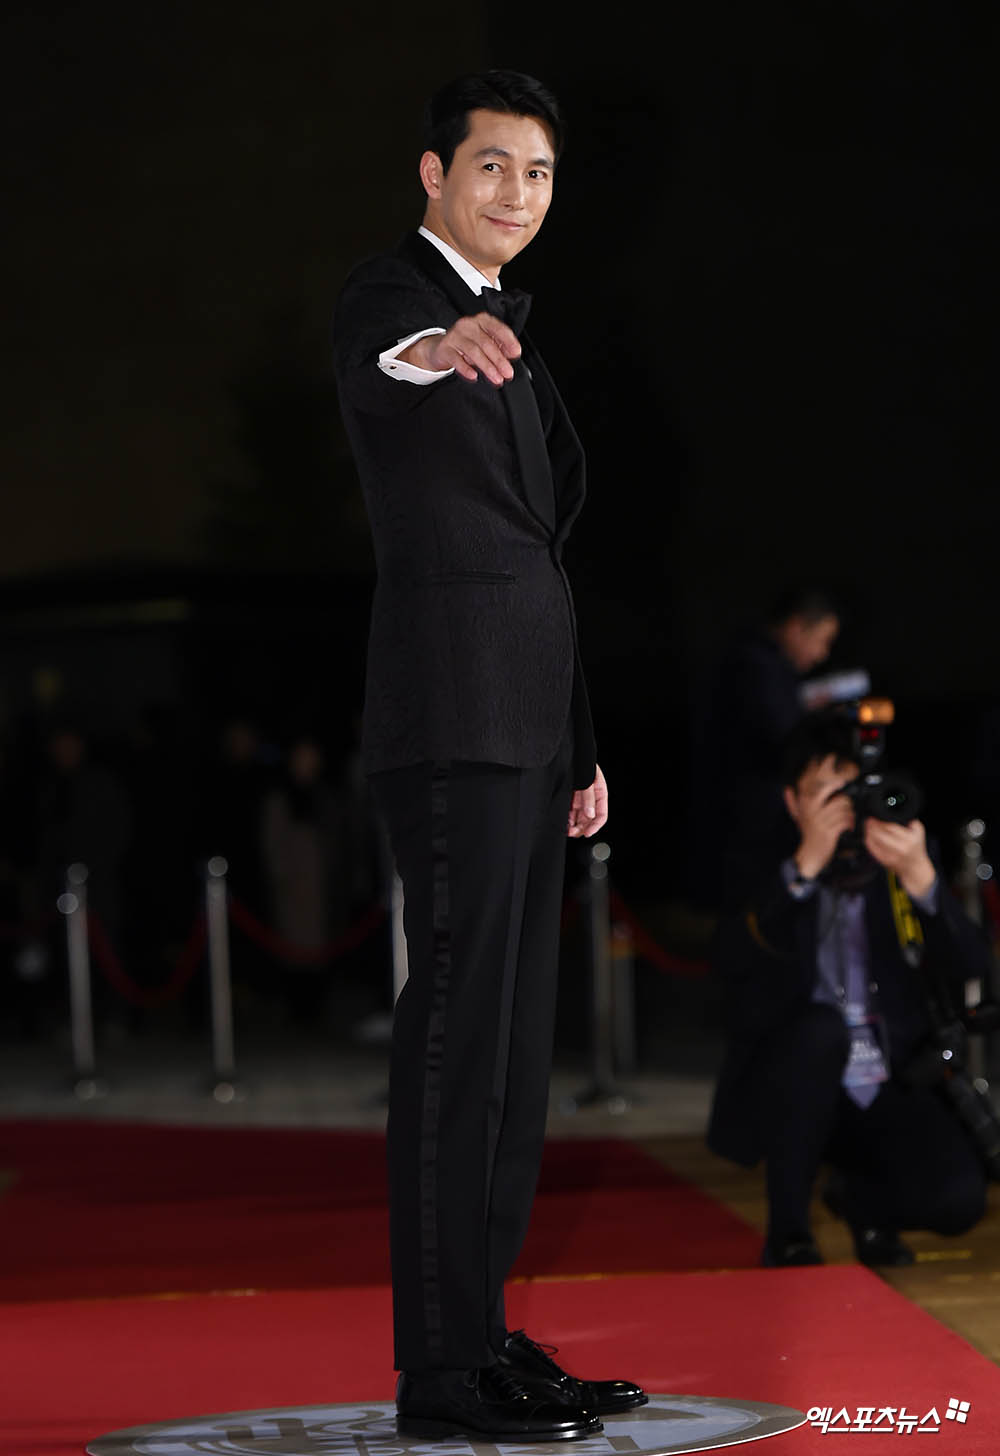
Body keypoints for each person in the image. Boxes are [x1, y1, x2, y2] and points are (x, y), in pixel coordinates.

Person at [332, 71, 643, 1441]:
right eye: (494, 167)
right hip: (451, 717)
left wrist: (581, 743)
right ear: (433, 173)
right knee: (459, 1042)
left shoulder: (526, 341)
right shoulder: (396, 301)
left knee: (515, 1048)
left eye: (540, 174)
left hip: (528, 726)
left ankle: (484, 1332)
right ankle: (439, 1372)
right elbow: (382, 360)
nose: (518, 193)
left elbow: (544, 558)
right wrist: (436, 344)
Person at [707, 713, 991, 1268]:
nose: (843, 805)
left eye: (852, 788)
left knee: (959, 1202)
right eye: (823, 791)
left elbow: (974, 972)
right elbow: (730, 962)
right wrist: (803, 868)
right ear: (792, 802)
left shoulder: (898, 857)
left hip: (886, 1079)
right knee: (819, 1032)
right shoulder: (764, 862)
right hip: (790, 1087)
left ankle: (864, 1205)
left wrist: (924, 881)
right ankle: (789, 1232)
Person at [693, 587, 841, 908]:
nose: (822, 654)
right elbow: (781, 741)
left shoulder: (757, 662)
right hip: (750, 826)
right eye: (822, 640)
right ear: (796, 627)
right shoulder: (756, 666)